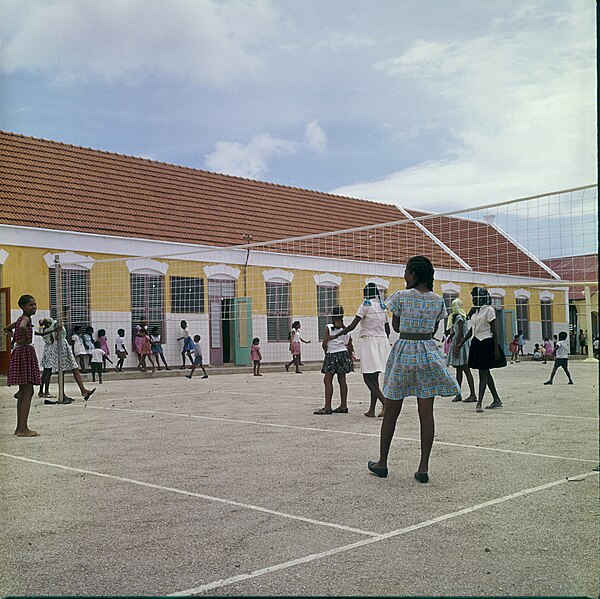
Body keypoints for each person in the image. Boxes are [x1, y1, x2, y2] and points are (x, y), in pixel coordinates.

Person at [367, 256, 460, 483]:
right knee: (426, 413)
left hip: (404, 352)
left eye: (406, 271)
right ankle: (423, 467)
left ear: (414, 274)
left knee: (391, 410)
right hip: (428, 352)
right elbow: (435, 327)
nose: (404, 275)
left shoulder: (400, 296)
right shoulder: (438, 301)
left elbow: (396, 327)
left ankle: (382, 462)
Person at [330, 283, 390, 418]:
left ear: (366, 294)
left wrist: (337, 335)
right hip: (382, 342)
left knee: (367, 378)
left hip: (370, 342)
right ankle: (371, 410)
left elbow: (352, 326)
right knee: (374, 377)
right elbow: (388, 330)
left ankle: (385, 402)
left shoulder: (365, 306)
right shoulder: (383, 308)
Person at [455, 287, 506, 413]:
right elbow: (472, 330)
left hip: (487, 342)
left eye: (475, 297)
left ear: (481, 298)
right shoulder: (475, 312)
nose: (473, 299)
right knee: (485, 372)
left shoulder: (489, 310)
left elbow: (494, 330)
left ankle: (479, 403)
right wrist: (461, 343)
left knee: (483, 373)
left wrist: (496, 348)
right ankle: (496, 399)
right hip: (477, 342)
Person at [4, 295, 42, 436]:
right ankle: (23, 429)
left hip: (19, 352)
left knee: (23, 392)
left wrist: (14, 338)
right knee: (28, 392)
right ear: (23, 307)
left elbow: (6, 329)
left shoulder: (21, 319)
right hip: (25, 352)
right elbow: (22, 327)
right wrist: (25, 338)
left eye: (35, 304)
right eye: (31, 305)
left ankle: (19, 427)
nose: (34, 307)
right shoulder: (24, 319)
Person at [314, 306, 354, 415]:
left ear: (332, 315)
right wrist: (350, 359)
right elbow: (349, 346)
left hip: (332, 354)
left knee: (327, 380)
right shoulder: (346, 330)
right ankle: (343, 405)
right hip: (343, 354)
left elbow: (325, 343)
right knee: (342, 380)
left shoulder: (329, 327)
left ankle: (327, 407)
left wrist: (326, 353)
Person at [48, 320, 96, 403]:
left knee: (70, 369)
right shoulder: (56, 323)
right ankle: (66, 394)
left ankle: (81, 390)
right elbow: (56, 337)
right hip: (61, 345)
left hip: (60, 345)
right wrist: (58, 329)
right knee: (65, 370)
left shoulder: (54, 324)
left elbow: (52, 339)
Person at [446, 298, 477, 402]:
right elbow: (456, 331)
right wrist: (452, 334)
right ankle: (458, 394)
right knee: (459, 370)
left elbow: (460, 332)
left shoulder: (459, 317)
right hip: (459, 342)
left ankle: (473, 394)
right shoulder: (458, 317)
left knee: (466, 369)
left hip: (461, 344)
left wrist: (457, 347)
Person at [36, 317, 56, 398]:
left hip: (46, 350)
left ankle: (41, 391)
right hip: (50, 350)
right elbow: (53, 341)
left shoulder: (43, 330)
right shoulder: (49, 331)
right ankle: (47, 392)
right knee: (48, 372)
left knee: (44, 372)